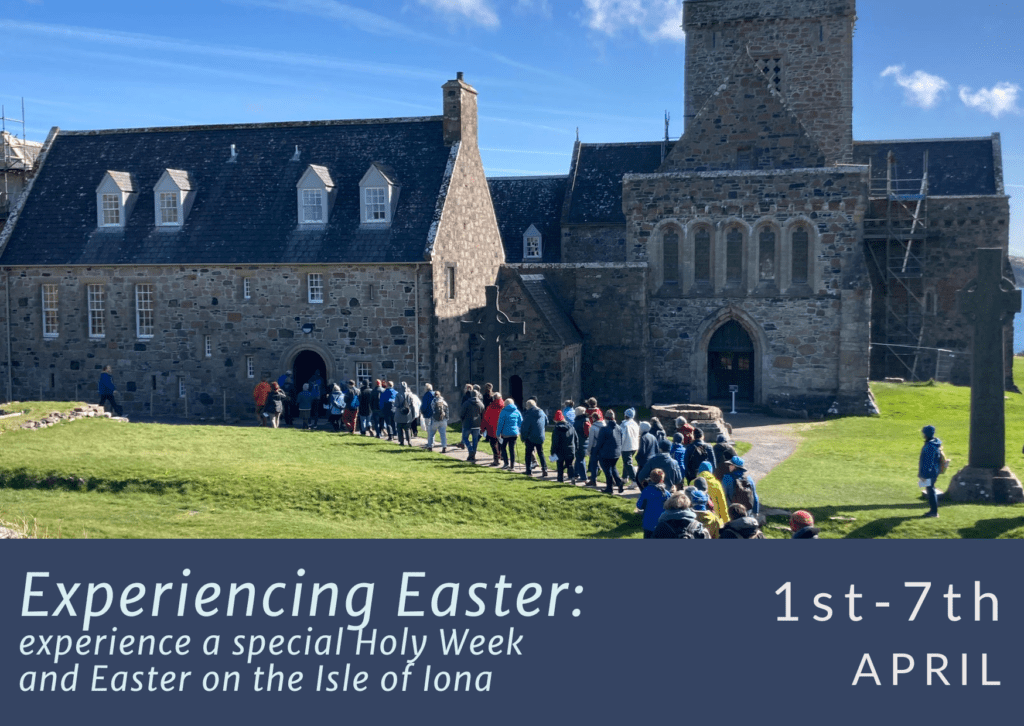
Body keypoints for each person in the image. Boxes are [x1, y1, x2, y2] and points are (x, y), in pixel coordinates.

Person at [593, 409, 624, 494]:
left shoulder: (604, 429)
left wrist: (595, 452)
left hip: (606, 453)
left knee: (607, 471)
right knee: (613, 468)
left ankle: (609, 488)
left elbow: (599, 443)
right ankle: (619, 482)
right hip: (617, 452)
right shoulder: (619, 428)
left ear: (606, 418)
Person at [635, 468, 670, 538]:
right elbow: (670, 507)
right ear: (662, 479)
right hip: (662, 523)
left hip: (648, 523)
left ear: (651, 478)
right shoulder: (666, 493)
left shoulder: (646, 491)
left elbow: (639, 505)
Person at [918, 425, 944, 518]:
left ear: (926, 434)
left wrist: (923, 475)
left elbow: (928, 463)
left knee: (930, 490)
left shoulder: (929, 446)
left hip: (929, 472)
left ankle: (933, 512)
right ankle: (933, 511)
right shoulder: (935, 443)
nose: (923, 434)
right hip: (934, 471)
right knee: (929, 489)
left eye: (924, 433)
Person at [549, 409, 578, 483]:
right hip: (571, 449)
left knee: (560, 466)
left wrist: (552, 452)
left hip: (560, 450)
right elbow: (576, 439)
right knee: (570, 465)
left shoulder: (556, 429)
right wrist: (576, 449)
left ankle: (560, 480)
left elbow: (555, 442)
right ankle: (572, 479)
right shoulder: (571, 427)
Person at [522, 398, 549, 478]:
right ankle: (545, 469)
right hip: (540, 436)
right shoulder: (542, 412)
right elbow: (546, 422)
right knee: (540, 453)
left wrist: (523, 437)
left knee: (528, 453)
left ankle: (529, 471)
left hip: (530, 437)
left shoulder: (528, 414)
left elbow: (525, 427)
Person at [496, 398, 523, 470]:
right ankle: (512, 465)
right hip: (514, 433)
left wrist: (498, 433)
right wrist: (519, 430)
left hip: (505, 433)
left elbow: (500, 424)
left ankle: (506, 463)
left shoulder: (503, 411)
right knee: (512, 449)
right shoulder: (517, 411)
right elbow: (520, 422)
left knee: (503, 447)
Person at [460, 388, 485, 462]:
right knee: (475, 440)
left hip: (467, 423)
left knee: (465, 438)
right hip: (477, 424)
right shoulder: (480, 403)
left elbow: (461, 414)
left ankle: (471, 451)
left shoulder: (466, 403)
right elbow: (483, 414)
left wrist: (462, 420)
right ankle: (473, 454)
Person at [482, 392, 505, 466]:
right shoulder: (504, 406)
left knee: (493, 444)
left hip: (492, 428)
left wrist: (482, 428)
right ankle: (501, 455)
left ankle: (496, 459)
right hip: (502, 428)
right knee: (500, 443)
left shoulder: (491, 407)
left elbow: (485, 418)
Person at [618, 408, 640, 487]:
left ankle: (634, 480)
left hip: (626, 446)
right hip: (634, 446)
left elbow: (622, 436)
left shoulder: (624, 424)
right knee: (626, 462)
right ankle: (624, 477)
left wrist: (619, 446)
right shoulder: (635, 424)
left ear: (625, 415)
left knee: (628, 463)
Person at [585, 412, 606, 487]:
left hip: (595, 447)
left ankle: (593, 480)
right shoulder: (604, 425)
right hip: (603, 447)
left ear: (593, 418)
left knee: (594, 464)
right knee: (604, 465)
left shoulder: (593, 427)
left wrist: (589, 450)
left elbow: (591, 440)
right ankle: (611, 479)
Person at [572, 406, 590, 482]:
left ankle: (584, 477)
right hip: (585, 441)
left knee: (580, 459)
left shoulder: (577, 422)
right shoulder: (586, 420)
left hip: (579, 443)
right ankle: (576, 473)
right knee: (579, 458)